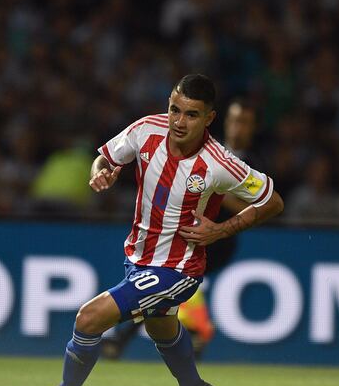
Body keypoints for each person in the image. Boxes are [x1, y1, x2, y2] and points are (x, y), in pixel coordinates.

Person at [19, 74, 284, 386]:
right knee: (161, 327)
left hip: (179, 269)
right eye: (175, 109)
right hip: (138, 259)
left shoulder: (220, 162)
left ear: (209, 119)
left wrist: (221, 229)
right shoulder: (146, 130)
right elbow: (106, 158)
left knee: (89, 318)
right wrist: (102, 173)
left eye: (191, 114)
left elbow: (272, 202)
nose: (178, 121)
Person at [99, 97, 260, 360]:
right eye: (234, 120)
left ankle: (187, 330)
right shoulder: (208, 147)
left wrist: (217, 192)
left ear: (253, 128)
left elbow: (258, 202)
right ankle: (191, 334)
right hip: (180, 232)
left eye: (244, 123)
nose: (237, 127)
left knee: (166, 279)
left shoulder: (251, 163)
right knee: (161, 287)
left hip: (218, 237)